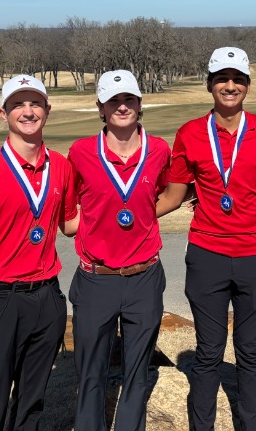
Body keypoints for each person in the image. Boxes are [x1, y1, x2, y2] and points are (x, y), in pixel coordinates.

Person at [156, 46, 256, 430]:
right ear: (209, 84)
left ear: (247, 86)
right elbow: (175, 195)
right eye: (222, 79)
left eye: (238, 79)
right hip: (207, 253)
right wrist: (122, 216)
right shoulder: (191, 132)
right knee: (208, 354)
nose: (230, 86)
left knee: (251, 352)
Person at [0, 74, 78, 431]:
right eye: (17, 104)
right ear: (2, 114)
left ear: (47, 111)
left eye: (35, 103)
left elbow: (71, 224)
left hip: (46, 298)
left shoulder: (62, 167)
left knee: (33, 403)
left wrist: (132, 206)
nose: (27, 111)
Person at [67, 70, 171, 431]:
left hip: (144, 275)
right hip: (96, 277)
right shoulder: (80, 152)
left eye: (129, 99)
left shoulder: (158, 150)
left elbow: (165, 193)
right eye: (113, 101)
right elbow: (69, 209)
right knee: (91, 373)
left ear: (140, 104)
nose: (122, 107)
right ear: (100, 107)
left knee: (137, 372)